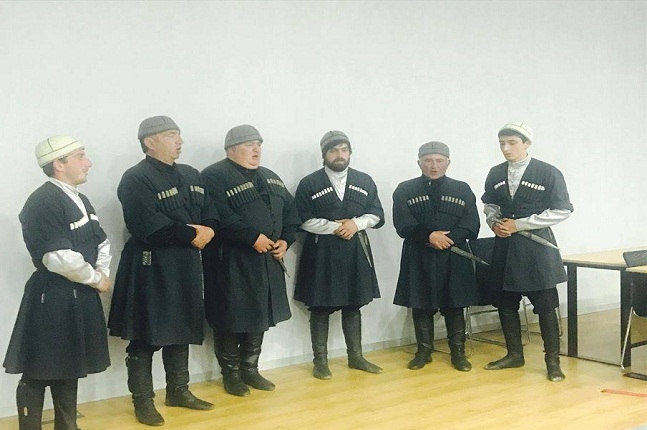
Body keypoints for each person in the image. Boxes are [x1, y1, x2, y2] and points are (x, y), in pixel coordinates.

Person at [108, 116, 219, 426]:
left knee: (181, 328)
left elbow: (210, 211)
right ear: (150, 142)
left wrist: (210, 229)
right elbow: (147, 225)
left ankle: (178, 391)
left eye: (179, 134)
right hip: (151, 265)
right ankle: (143, 402)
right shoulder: (135, 178)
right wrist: (193, 233)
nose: (179, 141)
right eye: (171, 135)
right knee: (146, 335)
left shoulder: (191, 174)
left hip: (186, 264)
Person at [3, 135, 112, 430]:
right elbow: (57, 257)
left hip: (78, 293)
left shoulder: (81, 199)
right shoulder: (43, 202)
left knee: (69, 363)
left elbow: (102, 242)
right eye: (81, 156)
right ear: (59, 164)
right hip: (51, 296)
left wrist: (103, 272)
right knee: (39, 370)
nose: (88, 162)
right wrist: (96, 279)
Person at [201, 124, 300, 397]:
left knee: (259, 316)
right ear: (230, 149)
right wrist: (250, 237)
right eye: (249, 145)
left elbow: (292, 212)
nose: (256, 150)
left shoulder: (270, 177)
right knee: (231, 317)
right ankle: (231, 375)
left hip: (267, 261)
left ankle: (250, 369)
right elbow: (218, 214)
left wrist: (286, 240)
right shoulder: (213, 175)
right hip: (230, 261)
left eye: (259, 144)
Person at [481, 122, 573, 382]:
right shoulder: (495, 172)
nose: (506, 148)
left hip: (536, 249)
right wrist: (494, 223)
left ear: (527, 144)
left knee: (545, 307)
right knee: (506, 304)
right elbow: (490, 204)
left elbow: (562, 210)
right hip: (505, 247)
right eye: (502, 143)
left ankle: (552, 363)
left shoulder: (548, 172)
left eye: (512, 143)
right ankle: (514, 355)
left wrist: (519, 224)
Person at [294, 130, 384, 379]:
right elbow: (301, 218)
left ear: (350, 153)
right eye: (333, 150)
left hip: (355, 250)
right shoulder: (309, 183)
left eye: (344, 150)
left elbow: (377, 214)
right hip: (321, 252)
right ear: (324, 155)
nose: (339, 155)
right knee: (320, 307)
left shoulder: (364, 180)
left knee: (353, 305)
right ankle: (320, 362)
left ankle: (356, 357)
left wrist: (355, 224)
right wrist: (335, 227)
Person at [392, 141, 480, 372]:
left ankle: (458, 353)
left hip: (454, 255)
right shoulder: (405, 189)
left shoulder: (462, 189)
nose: (434, 166)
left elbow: (472, 225)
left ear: (448, 163)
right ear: (419, 162)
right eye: (428, 160)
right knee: (421, 305)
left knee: (454, 305)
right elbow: (402, 224)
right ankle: (423, 352)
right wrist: (429, 236)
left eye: (439, 161)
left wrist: (447, 239)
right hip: (419, 255)